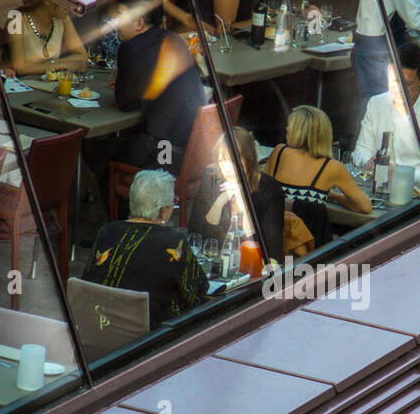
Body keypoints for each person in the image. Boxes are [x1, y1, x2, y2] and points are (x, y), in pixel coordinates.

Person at [82, 169, 207, 325]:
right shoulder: (173, 242)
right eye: (172, 203)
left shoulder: (108, 231)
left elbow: (88, 283)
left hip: (100, 328)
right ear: (162, 211)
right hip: (150, 341)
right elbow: (199, 290)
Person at [110, 0, 208, 170]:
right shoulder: (174, 39)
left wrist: (129, 82)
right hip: (194, 151)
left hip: (165, 153)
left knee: (102, 151)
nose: (116, 23)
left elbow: (126, 104)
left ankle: (114, 197)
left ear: (139, 23)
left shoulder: (130, 48)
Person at [264, 105, 371, 249]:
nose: (287, 128)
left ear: (302, 132)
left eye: (291, 125)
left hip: (272, 242)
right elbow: (365, 207)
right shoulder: (332, 167)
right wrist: (334, 197)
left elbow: (263, 192)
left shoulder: (279, 152)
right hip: (309, 249)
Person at [353, 43, 420, 189]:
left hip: (415, 196)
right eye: (395, 81)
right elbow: (361, 151)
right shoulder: (375, 104)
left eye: (407, 84)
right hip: (374, 187)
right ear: (389, 71)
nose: (399, 90)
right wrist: (368, 163)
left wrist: (398, 174)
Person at [189, 127, 284, 261]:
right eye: (222, 161)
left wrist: (242, 204)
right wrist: (218, 203)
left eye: (233, 161)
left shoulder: (270, 189)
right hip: (215, 261)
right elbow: (197, 234)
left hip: (251, 263)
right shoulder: (212, 180)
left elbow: (270, 250)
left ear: (248, 159)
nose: (227, 168)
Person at [7, 0, 88, 77]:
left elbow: (82, 56)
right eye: (65, 2)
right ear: (48, 0)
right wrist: (63, 65)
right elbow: (20, 68)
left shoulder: (63, 18)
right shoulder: (15, 19)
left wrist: (52, 65)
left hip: (51, 82)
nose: (70, 7)